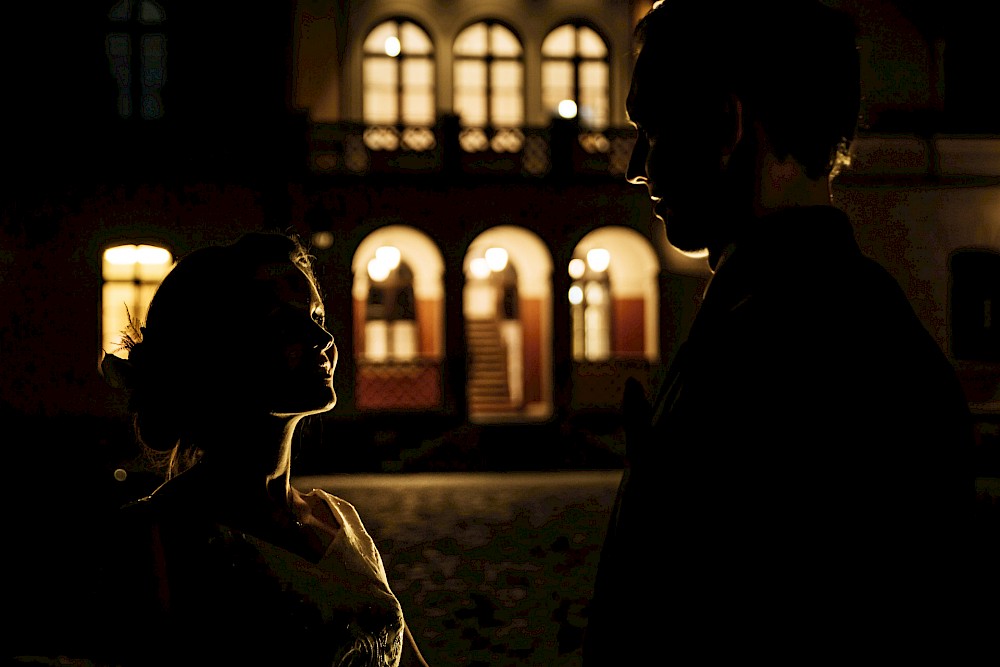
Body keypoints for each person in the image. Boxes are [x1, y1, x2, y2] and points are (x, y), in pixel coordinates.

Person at [583, 1, 979, 663]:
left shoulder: (775, 342)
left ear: (725, 124)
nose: (635, 162)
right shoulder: (852, 317)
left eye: (652, 127)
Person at [92, 232, 430, 667]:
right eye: (286, 324)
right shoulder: (160, 534)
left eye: (317, 315)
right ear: (219, 351)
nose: (322, 338)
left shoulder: (339, 519)